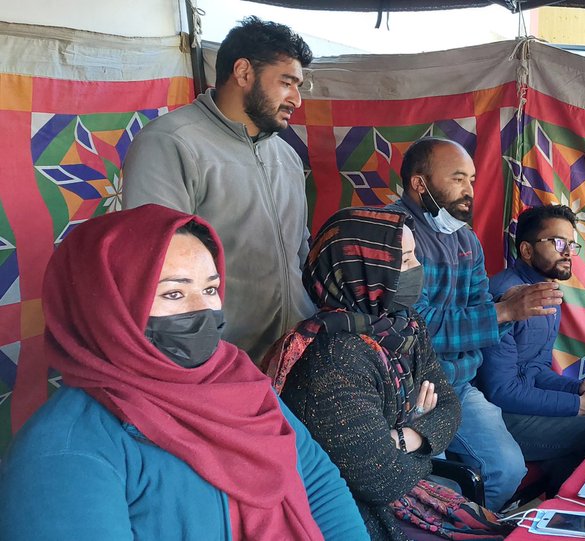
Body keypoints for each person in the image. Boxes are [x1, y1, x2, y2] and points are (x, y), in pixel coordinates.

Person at [0, 205, 366, 540]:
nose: (204, 310)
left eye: (210, 288)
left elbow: (318, 483)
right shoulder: (67, 454)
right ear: (105, 307)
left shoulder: (239, 383)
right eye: (174, 294)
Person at [262, 206, 511, 540]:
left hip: (405, 493)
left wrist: (405, 437)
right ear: (362, 269)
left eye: (414, 258)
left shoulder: (405, 324)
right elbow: (382, 480)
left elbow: (450, 406)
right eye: (404, 260)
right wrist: (416, 428)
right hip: (365, 518)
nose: (416, 270)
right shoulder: (333, 357)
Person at [121, 16, 315, 362]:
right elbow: (159, 270)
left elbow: (299, 251)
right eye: (287, 82)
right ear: (243, 73)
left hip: (293, 357)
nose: (296, 99)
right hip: (222, 364)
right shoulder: (171, 143)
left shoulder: (287, 156)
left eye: (299, 86)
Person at [385, 137, 563, 511]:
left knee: (506, 470)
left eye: (472, 179)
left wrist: (504, 311)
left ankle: (462, 526)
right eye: (458, 179)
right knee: (424, 486)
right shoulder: (393, 234)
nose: (469, 190)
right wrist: (502, 312)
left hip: (459, 385)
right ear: (420, 184)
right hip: (409, 392)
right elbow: (414, 329)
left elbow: (481, 308)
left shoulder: (466, 240)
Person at [478, 205, 585, 498]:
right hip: (495, 415)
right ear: (526, 250)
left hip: (517, 404)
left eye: (571, 244)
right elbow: (499, 391)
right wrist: (579, 406)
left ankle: (552, 514)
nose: (567, 252)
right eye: (558, 243)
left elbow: (535, 370)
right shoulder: (505, 298)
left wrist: (577, 389)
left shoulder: (546, 293)